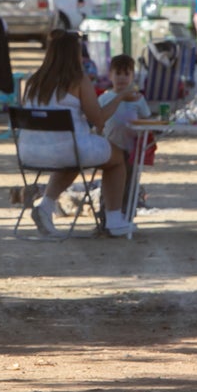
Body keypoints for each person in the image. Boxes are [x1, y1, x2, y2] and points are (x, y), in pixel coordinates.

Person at [21, 30, 140, 238]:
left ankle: (45, 208)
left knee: (71, 155)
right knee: (117, 157)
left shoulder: (32, 82)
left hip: (30, 151)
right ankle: (114, 220)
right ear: (74, 55)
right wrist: (120, 96)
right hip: (68, 149)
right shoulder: (78, 80)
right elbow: (99, 119)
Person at [99, 54, 152, 208]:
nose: (122, 78)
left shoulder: (138, 99)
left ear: (133, 76)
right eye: (118, 73)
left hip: (132, 150)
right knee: (109, 182)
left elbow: (147, 118)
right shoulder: (105, 98)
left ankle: (127, 214)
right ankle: (105, 214)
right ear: (110, 75)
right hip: (110, 147)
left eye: (126, 74)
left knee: (130, 183)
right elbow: (98, 120)